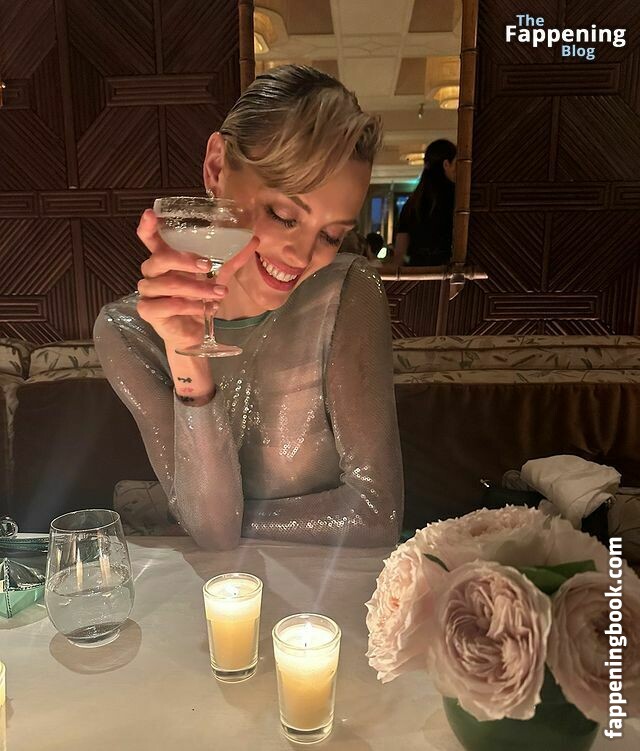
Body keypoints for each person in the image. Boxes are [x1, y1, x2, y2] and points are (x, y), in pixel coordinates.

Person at [94, 65, 403, 551]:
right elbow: (213, 533)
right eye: (284, 215)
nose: (301, 256)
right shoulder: (126, 330)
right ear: (216, 167)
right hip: (207, 587)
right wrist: (187, 357)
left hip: (322, 589)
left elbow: (375, 513)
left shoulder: (346, 292)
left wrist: (210, 516)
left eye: (331, 235)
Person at [394, 139, 456, 266]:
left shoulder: (412, 204)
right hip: (449, 270)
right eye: (456, 163)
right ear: (446, 164)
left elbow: (400, 253)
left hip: (418, 270)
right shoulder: (458, 199)